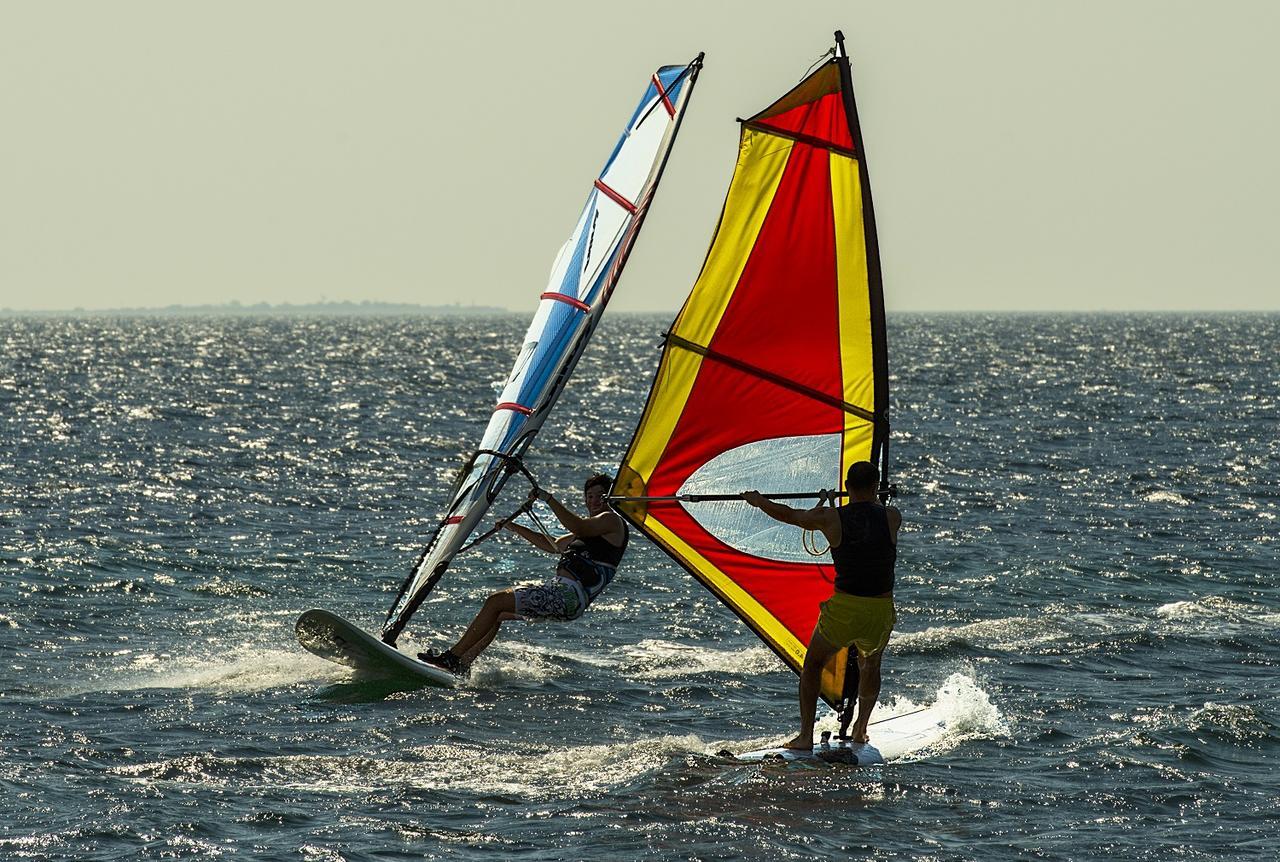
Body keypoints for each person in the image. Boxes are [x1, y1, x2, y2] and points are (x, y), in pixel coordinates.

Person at [742, 460, 900, 749]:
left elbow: (790, 515)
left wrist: (758, 501)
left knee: (813, 663)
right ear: (876, 487)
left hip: (845, 609)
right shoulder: (892, 516)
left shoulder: (831, 518)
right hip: (880, 609)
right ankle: (860, 730)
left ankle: (805, 737)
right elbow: (872, 511)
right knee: (871, 663)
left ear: (847, 487)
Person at [418, 472, 628, 676]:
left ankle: (451, 658)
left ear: (610, 497)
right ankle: (463, 664)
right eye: (589, 496)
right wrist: (514, 527)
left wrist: (548, 498)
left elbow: (579, 525)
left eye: (600, 495)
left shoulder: (611, 520)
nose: (594, 501)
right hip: (561, 594)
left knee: (495, 602)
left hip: (568, 597)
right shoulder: (589, 530)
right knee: (497, 613)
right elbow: (553, 545)